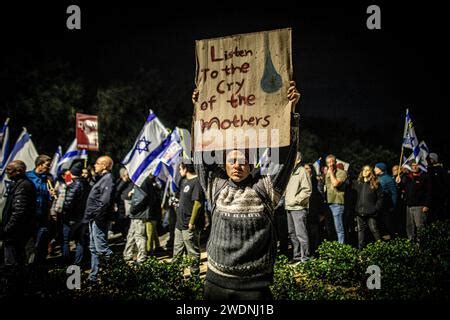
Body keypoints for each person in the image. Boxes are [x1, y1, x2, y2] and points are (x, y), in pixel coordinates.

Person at [193, 81, 300, 300]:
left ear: (252, 166)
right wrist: (199, 112)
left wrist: (291, 111)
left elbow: (286, 158)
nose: (237, 165)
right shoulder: (216, 185)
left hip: (254, 287)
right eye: (232, 160)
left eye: (243, 161)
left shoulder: (265, 188)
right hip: (215, 282)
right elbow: (200, 155)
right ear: (224, 163)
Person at [0, 160, 36, 296]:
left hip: (16, 233)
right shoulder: (19, 184)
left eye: (10, 170)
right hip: (17, 232)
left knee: (12, 264)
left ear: (19, 171)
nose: (7, 172)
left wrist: (6, 230)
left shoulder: (23, 186)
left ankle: (13, 291)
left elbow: (18, 213)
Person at [83, 156, 115, 282]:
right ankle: (94, 275)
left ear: (105, 166)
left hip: (98, 219)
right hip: (94, 219)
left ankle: (118, 270)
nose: (94, 165)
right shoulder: (102, 179)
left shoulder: (107, 179)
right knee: (93, 248)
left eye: (97, 163)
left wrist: (96, 216)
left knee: (101, 248)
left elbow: (105, 201)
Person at [173, 162, 205, 275]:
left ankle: (194, 278)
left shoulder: (197, 182)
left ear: (186, 169)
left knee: (192, 252)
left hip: (189, 225)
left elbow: (198, 204)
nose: (179, 171)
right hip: (179, 224)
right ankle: (175, 276)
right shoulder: (184, 182)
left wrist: (192, 222)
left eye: (180, 168)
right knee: (177, 251)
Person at [25, 154, 54, 264]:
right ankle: (28, 267)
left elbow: (48, 198)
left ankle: (38, 269)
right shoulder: (28, 176)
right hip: (30, 217)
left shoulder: (49, 178)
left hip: (43, 217)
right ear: (40, 165)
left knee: (41, 245)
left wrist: (51, 195)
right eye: (47, 165)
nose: (49, 167)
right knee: (30, 245)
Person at [61, 161, 91, 264]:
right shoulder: (86, 184)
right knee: (80, 240)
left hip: (72, 218)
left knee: (65, 240)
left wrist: (64, 216)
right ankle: (78, 262)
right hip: (82, 217)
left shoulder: (74, 185)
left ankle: (66, 262)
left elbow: (68, 203)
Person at [284, 153, 312, 263]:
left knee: (301, 234)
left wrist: (295, 200)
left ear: (298, 159)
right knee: (292, 234)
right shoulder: (289, 172)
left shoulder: (302, 171)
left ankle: (305, 258)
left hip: (298, 208)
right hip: (289, 207)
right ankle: (296, 256)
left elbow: (307, 190)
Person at [395, 161, 432, 241]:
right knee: (409, 225)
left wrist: (426, 205)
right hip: (409, 205)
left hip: (420, 206)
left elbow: (429, 192)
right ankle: (411, 242)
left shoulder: (424, 176)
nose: (414, 167)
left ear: (420, 166)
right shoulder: (407, 177)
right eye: (412, 165)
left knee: (419, 225)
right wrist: (399, 183)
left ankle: (422, 242)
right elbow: (403, 188)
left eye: (416, 165)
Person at [353, 165, 383, 249]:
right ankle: (360, 250)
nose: (365, 172)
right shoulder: (358, 183)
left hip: (371, 212)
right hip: (359, 212)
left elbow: (380, 198)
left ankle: (381, 248)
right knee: (360, 231)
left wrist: (375, 209)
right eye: (363, 170)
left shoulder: (375, 183)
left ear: (371, 172)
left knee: (374, 229)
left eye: (367, 170)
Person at [325, 154, 348, 244]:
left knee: (339, 228)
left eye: (332, 162)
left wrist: (330, 172)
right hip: (329, 203)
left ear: (335, 162)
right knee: (331, 228)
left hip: (337, 203)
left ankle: (341, 248)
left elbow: (335, 184)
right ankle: (334, 247)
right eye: (328, 162)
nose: (330, 164)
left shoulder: (342, 173)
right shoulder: (327, 173)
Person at [304, 163, 324, 255]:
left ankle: (315, 252)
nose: (305, 170)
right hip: (305, 208)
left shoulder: (316, 181)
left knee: (314, 232)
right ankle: (308, 251)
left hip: (314, 209)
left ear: (311, 170)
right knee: (306, 232)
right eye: (304, 168)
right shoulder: (303, 180)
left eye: (307, 168)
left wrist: (321, 213)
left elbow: (320, 197)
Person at [374, 162, 397, 239]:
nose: (374, 169)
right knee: (380, 224)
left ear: (381, 169)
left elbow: (394, 193)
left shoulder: (388, 179)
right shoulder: (376, 178)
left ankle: (394, 239)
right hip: (378, 205)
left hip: (387, 206)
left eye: (376, 168)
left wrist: (393, 205)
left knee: (388, 224)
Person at [427, 153, 450, 222]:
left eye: (430, 159)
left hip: (441, 199)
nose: (429, 160)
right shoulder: (428, 170)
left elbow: (446, 184)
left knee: (440, 217)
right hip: (431, 199)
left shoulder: (441, 170)